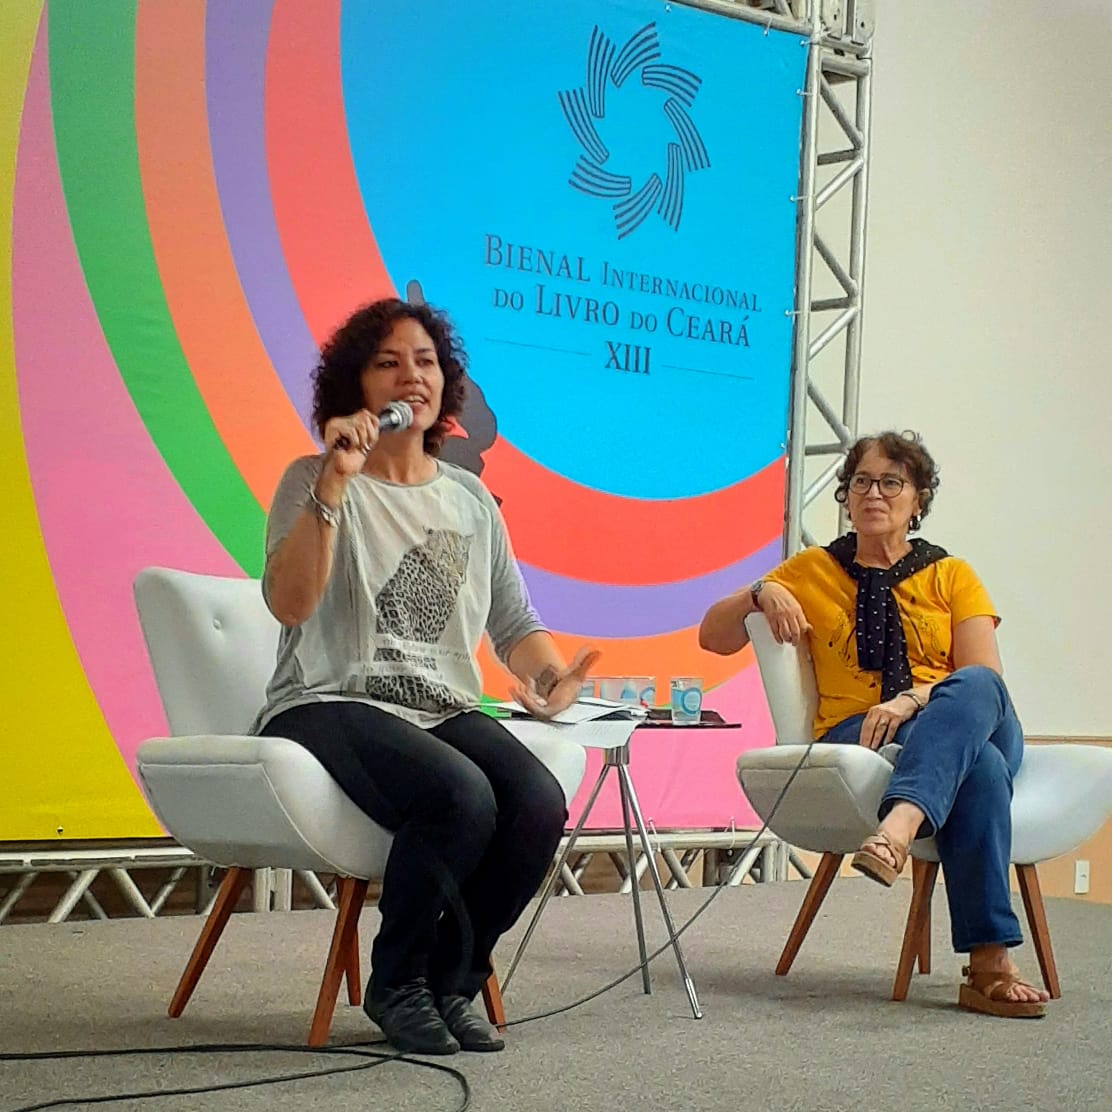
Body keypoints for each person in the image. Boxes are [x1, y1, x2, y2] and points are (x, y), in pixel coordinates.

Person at [253, 297, 598, 1054]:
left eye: (426, 362)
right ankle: (397, 982)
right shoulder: (312, 478)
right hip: (328, 699)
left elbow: (515, 624)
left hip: (438, 707)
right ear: (355, 387)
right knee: (459, 795)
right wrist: (334, 484)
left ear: (448, 383)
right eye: (388, 363)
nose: (412, 376)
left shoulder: (468, 497)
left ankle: (451, 982)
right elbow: (290, 604)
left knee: (538, 803)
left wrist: (550, 679)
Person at [699, 431, 1049, 1019]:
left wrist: (911, 701)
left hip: (961, 715)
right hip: (860, 730)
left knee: (977, 688)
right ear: (846, 494)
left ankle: (898, 825)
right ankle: (990, 963)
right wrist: (761, 592)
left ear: (918, 499)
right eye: (861, 481)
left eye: (891, 482)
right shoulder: (814, 569)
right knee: (981, 768)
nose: (874, 494)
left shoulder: (952, 575)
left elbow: (985, 676)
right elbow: (712, 636)